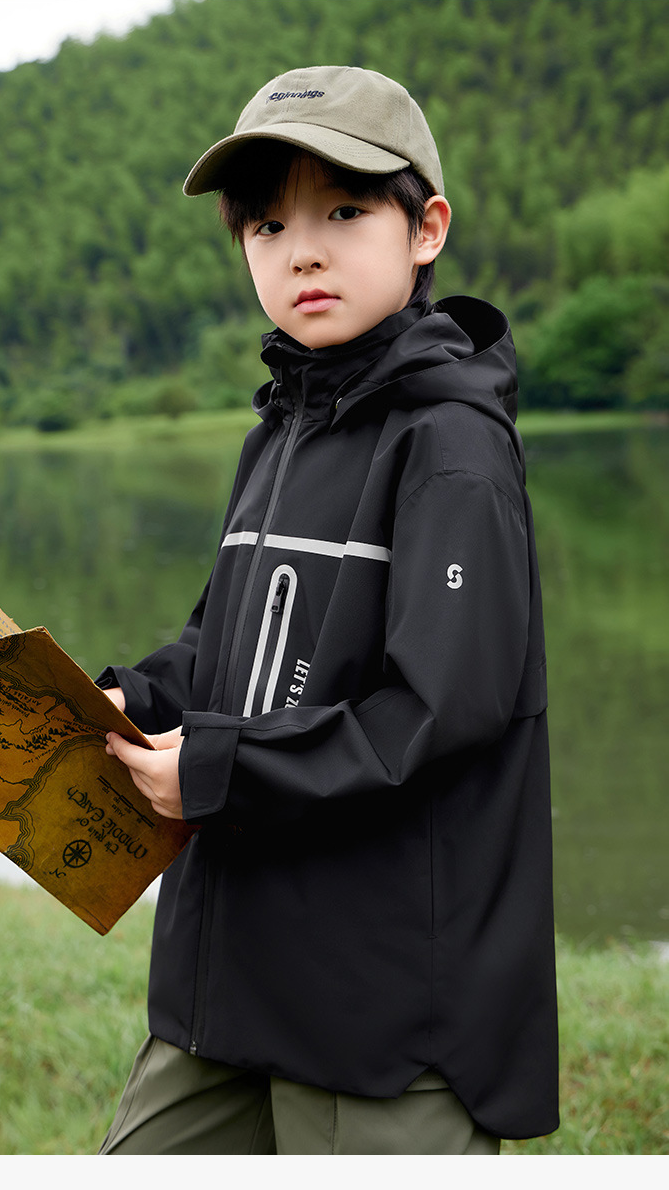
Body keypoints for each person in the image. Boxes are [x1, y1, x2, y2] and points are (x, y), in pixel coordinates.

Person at [94, 65, 559, 1155]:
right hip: (225, 981)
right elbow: (224, 641)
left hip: (379, 1008)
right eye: (267, 225)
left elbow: (436, 713)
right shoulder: (281, 428)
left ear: (426, 229)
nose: (301, 250)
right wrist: (132, 698)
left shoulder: (450, 444)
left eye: (344, 212)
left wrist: (218, 769)